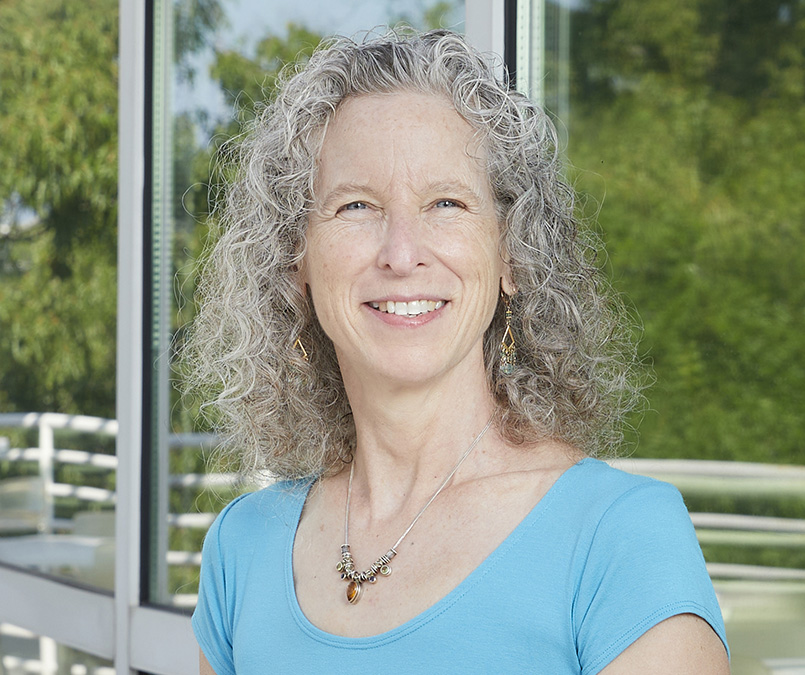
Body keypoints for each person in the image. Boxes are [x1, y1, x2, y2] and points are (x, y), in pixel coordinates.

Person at [183, 28, 728, 674]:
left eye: (447, 202)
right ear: (295, 259)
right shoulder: (241, 548)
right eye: (357, 205)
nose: (402, 252)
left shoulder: (622, 539)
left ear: (512, 255)